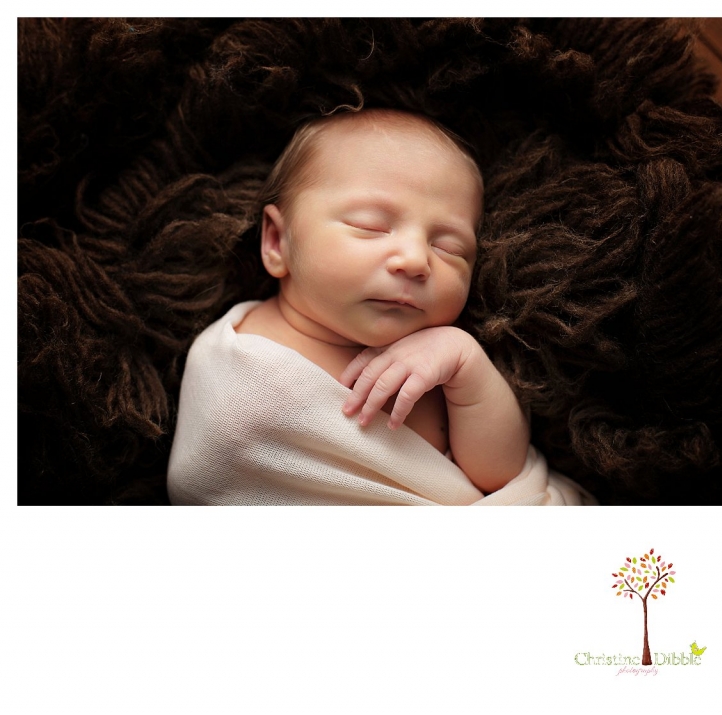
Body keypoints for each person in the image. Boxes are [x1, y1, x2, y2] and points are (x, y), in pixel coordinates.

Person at [167, 107, 593, 505]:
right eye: (370, 226)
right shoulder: (238, 358)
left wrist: (467, 365)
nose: (416, 260)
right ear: (278, 242)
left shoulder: (440, 367)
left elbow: (501, 477)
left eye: (449, 248)